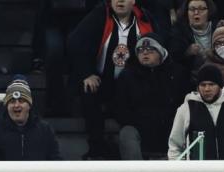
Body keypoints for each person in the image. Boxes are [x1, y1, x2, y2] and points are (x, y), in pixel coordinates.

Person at [68, 0, 158, 159]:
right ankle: (96, 148)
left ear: (133, 1)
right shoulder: (100, 15)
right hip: (104, 81)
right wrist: (87, 73)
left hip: (132, 83)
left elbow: (159, 46)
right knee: (89, 90)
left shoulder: (145, 19)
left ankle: (140, 149)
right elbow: (75, 41)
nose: (120, 1)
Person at [114, 33, 189, 160]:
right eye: (140, 50)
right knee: (127, 132)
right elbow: (120, 108)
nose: (145, 53)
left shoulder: (178, 73)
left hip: (170, 128)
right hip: (139, 128)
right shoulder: (127, 75)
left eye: (150, 50)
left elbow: (184, 105)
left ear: (161, 52)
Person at [167, 63, 224, 160]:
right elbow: (175, 146)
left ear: (220, 86)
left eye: (211, 84)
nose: (207, 89)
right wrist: (179, 168)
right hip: (199, 168)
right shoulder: (186, 109)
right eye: (203, 85)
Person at [169, 0, 218, 75]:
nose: (196, 12)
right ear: (187, 12)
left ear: (209, 11)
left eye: (201, 9)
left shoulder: (218, 27)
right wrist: (187, 53)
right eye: (192, 9)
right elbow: (174, 58)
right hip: (191, 75)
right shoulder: (179, 31)